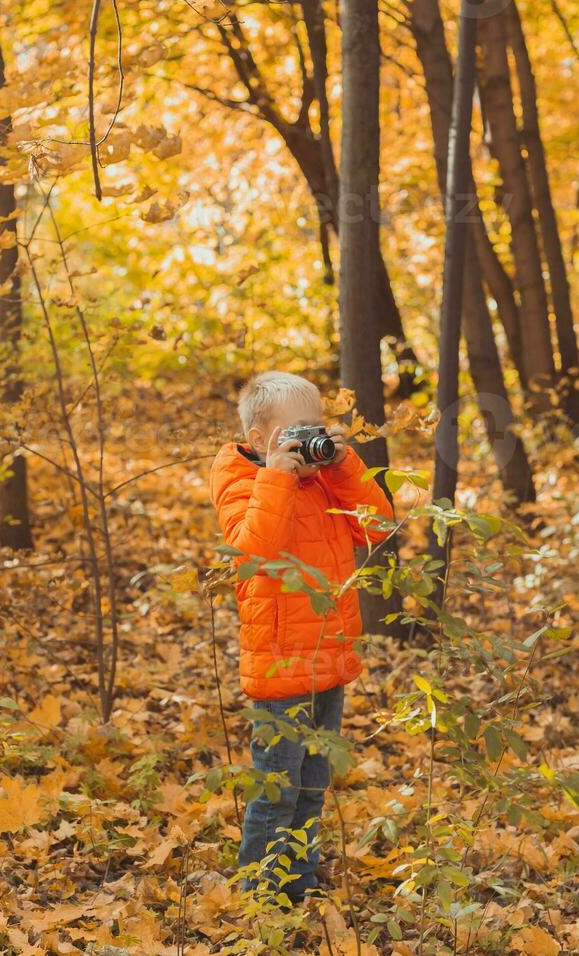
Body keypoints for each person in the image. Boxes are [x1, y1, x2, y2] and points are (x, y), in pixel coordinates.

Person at [208, 371, 394, 905]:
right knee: (276, 790)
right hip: (280, 663)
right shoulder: (240, 476)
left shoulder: (325, 478)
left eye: (316, 428)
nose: (308, 441)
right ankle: (261, 897)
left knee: (313, 784)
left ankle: (299, 880)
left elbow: (378, 528)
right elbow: (254, 552)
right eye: (297, 433)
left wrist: (344, 464)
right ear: (261, 439)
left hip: (330, 655)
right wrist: (277, 475)